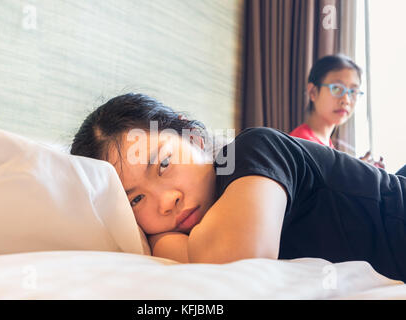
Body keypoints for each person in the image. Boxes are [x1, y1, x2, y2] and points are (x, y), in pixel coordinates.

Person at [70, 93, 406, 282]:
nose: (167, 201)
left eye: (164, 164)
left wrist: (163, 240)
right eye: (136, 199)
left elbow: (239, 260)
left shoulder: (252, 150)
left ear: (195, 138)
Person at [290, 54, 385, 168]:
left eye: (353, 91)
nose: (346, 100)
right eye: (336, 88)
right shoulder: (302, 142)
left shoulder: (327, 145)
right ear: (313, 92)